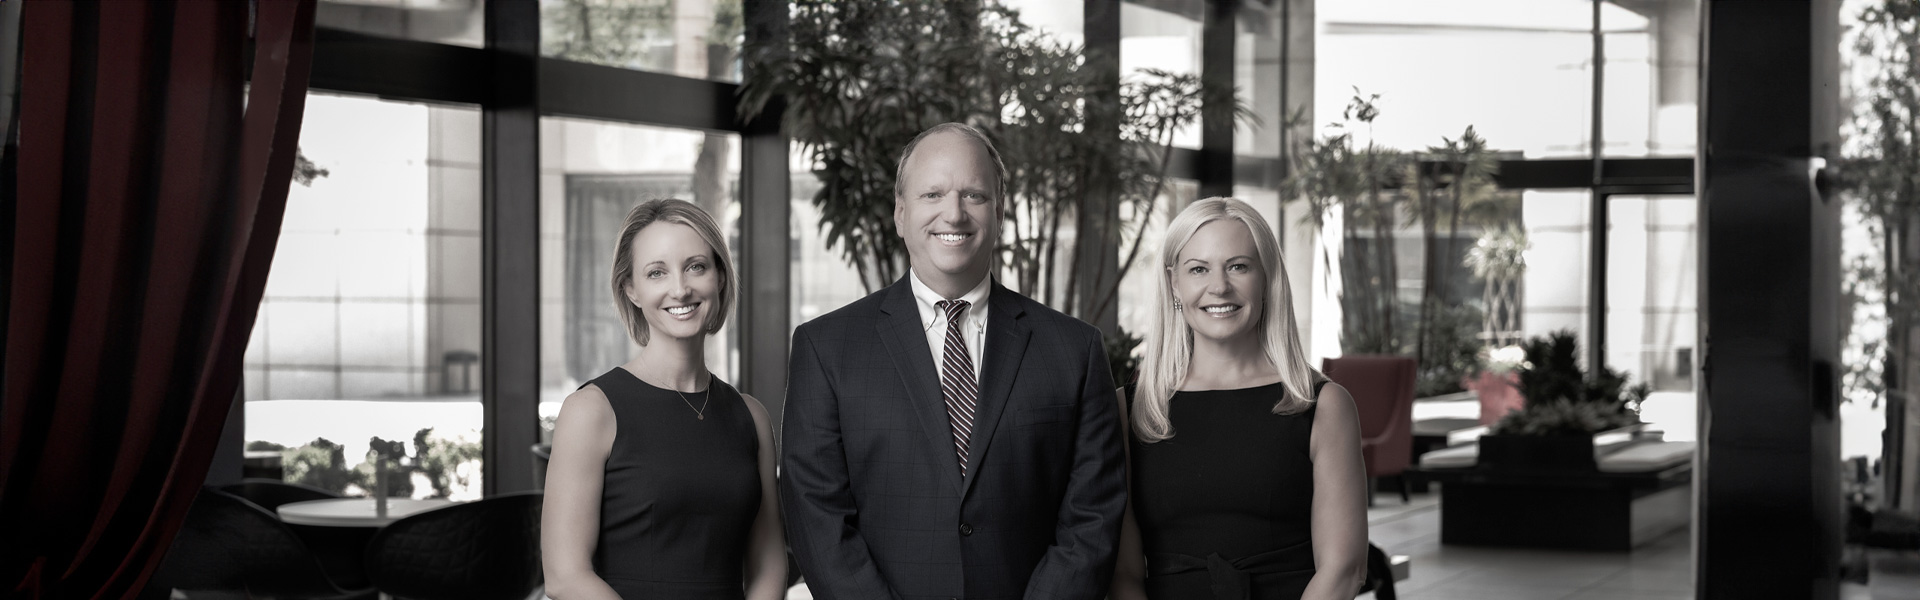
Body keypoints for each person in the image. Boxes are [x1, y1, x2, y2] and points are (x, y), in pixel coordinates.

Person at [781, 123, 1127, 600]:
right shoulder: (826, 348)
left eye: (974, 196)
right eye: (933, 194)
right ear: (900, 213)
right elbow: (815, 515)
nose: (954, 213)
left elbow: (1093, 516)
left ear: (1000, 213)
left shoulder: (1075, 350)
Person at [1109, 198, 1368, 600]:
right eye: (1199, 269)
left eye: (1238, 266)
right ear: (1174, 282)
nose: (1219, 287)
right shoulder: (1132, 411)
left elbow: (1344, 570)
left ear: (1266, 278)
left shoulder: (1324, 407)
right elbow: (1122, 576)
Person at [541, 199, 786, 600]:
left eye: (696, 266)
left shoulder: (752, 417)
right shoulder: (592, 410)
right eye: (657, 272)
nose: (680, 288)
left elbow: (769, 563)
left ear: (720, 277)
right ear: (632, 290)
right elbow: (566, 576)